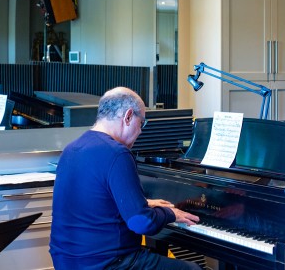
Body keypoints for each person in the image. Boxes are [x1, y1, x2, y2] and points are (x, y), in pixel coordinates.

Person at [49, 87, 202, 270]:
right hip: (108, 263)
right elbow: (142, 223)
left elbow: (94, 203)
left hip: (66, 261)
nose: (140, 131)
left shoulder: (72, 149)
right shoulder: (117, 153)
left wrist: (142, 203)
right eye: (142, 123)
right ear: (128, 116)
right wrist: (171, 214)